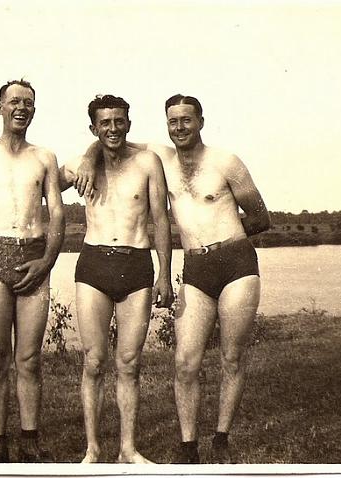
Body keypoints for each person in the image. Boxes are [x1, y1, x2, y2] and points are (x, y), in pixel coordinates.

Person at [74, 94, 270, 464]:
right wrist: (87, 156)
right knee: (185, 362)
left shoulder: (225, 162)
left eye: (187, 120)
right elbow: (109, 139)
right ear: (167, 124)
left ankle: (222, 439)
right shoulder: (159, 157)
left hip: (236, 264)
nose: (180, 127)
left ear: (200, 121)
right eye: (173, 121)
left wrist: (224, 234)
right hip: (195, 267)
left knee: (232, 356)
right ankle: (187, 446)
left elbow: (261, 217)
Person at [58, 94, 174, 464]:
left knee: (129, 363)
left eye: (119, 121)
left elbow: (161, 220)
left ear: (128, 123)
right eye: (104, 123)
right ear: (93, 127)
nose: (112, 128)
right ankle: (92, 449)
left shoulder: (147, 162)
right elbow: (36, 178)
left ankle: (127, 449)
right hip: (93, 265)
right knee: (93, 361)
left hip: (137, 264)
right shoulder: (80, 163)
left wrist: (165, 275)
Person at [0, 80, 65, 463]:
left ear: (35, 110)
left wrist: (48, 260)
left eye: (29, 103)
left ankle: (30, 439)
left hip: (34, 254)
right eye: (14, 101)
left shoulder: (45, 157)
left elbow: (57, 213)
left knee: (30, 358)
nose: (21, 107)